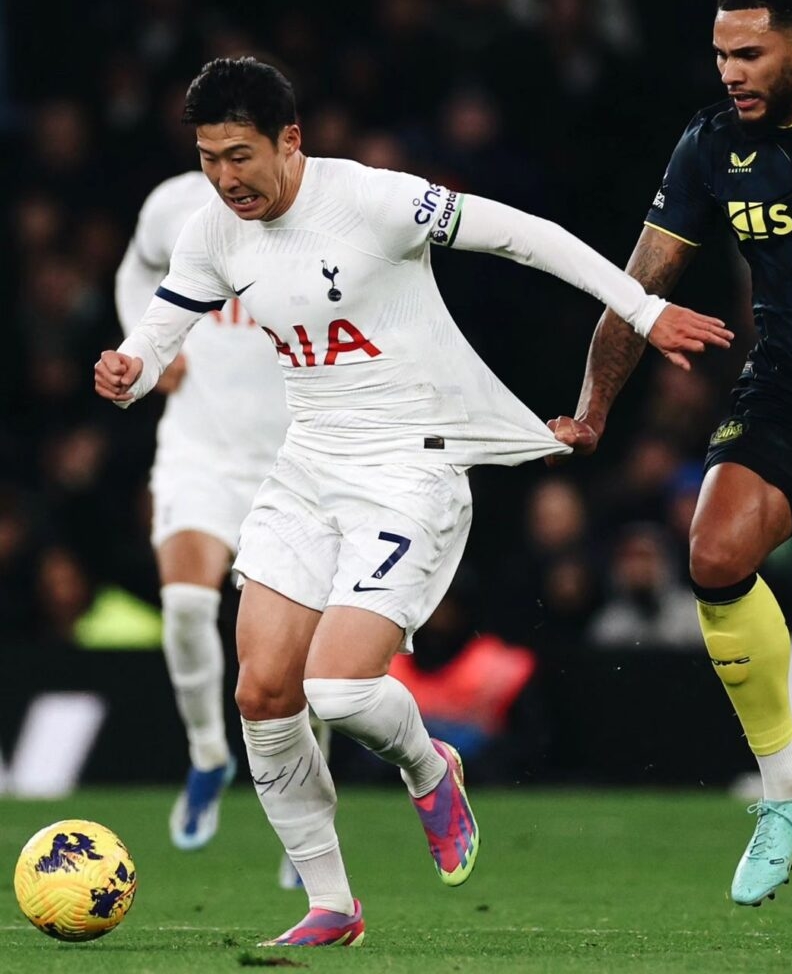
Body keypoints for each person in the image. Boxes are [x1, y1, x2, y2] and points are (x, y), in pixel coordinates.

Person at [94, 56, 731, 947]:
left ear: (291, 140)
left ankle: (431, 769)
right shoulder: (211, 233)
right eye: (207, 157)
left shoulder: (375, 202)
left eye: (240, 155)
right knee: (264, 694)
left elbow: (526, 234)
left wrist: (644, 307)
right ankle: (331, 906)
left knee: (340, 690)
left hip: (410, 469)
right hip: (306, 468)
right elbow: (157, 336)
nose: (225, 178)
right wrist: (128, 371)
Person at [550, 0, 792, 907]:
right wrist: (593, 410)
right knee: (713, 551)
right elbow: (641, 285)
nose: (732, 73)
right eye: (721, 55)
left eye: (750, 55)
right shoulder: (712, 147)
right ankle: (787, 783)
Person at [116, 172, 325, 888]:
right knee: (184, 606)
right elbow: (136, 268)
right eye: (212, 146)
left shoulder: (324, 210)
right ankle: (209, 755)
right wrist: (145, 350)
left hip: (296, 455)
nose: (226, 164)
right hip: (200, 448)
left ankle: (304, 816)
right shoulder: (172, 205)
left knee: (299, 662)